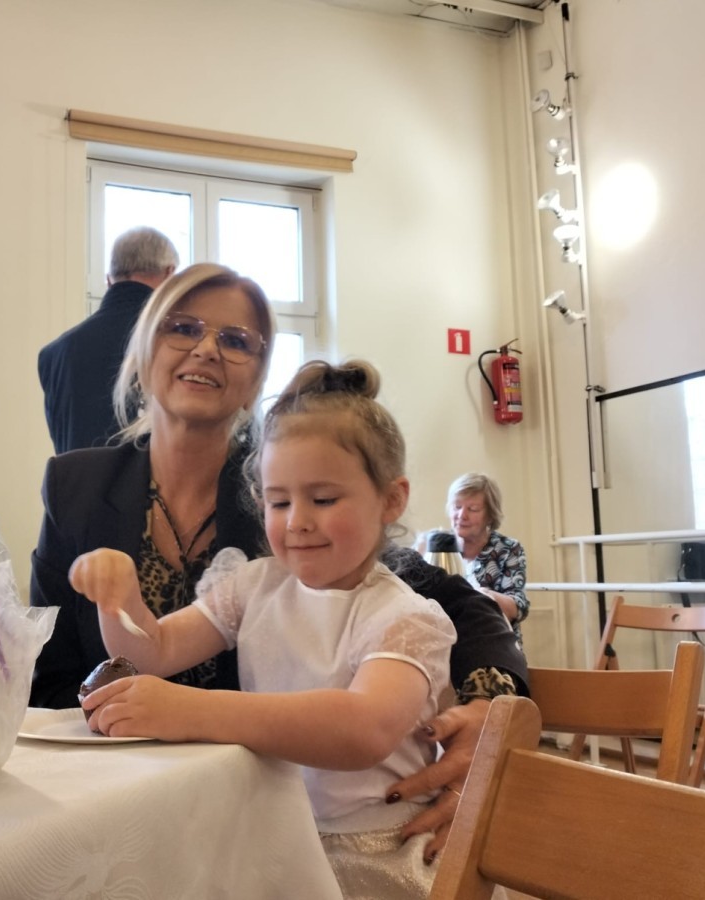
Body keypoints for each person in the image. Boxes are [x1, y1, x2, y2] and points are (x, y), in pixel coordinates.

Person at [28, 263, 526, 863]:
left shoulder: (301, 477)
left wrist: (490, 708)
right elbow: (84, 663)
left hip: (299, 823)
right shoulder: (78, 487)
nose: (206, 349)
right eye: (183, 328)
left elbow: (455, 608)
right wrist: (119, 602)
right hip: (130, 796)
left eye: (235, 340)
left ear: (256, 375)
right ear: (144, 349)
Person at [71, 360, 455, 899]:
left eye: (323, 499)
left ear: (391, 499)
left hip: (374, 855)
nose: (297, 520)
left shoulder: (405, 618)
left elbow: (363, 729)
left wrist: (192, 711)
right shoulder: (253, 586)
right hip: (273, 839)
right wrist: (119, 599)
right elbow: (154, 651)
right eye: (279, 501)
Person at [37, 225, 179, 454]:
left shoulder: (54, 353)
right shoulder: (175, 342)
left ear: (109, 279)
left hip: (73, 478)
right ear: (169, 274)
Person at [444, 472, 529, 646]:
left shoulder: (507, 548)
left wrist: (483, 597)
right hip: (447, 646)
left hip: (495, 646)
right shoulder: (438, 547)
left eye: (473, 509)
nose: (462, 515)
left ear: (490, 515)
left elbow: (519, 607)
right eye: (457, 507)